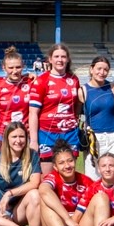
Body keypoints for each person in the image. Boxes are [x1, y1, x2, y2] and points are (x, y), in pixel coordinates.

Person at [0, 121, 43, 226]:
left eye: (21, 136)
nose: (18, 140)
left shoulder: (32, 156)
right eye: (14, 137)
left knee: (34, 194)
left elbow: (35, 183)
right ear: (7, 139)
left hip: (16, 210)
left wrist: (9, 193)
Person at [29, 42, 82, 172]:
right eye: (56, 56)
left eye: (63, 56)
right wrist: (34, 141)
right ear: (50, 59)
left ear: (68, 59)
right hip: (47, 133)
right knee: (47, 177)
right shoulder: (41, 81)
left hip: (70, 133)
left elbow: (77, 106)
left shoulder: (74, 80)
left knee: (68, 174)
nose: (60, 60)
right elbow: (33, 113)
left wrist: (74, 121)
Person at [38, 143, 94, 226]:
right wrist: (67, 219)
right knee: (43, 197)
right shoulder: (53, 177)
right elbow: (44, 189)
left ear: (75, 161)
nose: (67, 166)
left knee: (98, 196)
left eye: (70, 161)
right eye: (61, 163)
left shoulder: (86, 181)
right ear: (55, 167)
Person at [82, 55, 114, 182]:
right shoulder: (83, 90)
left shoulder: (113, 87)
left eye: (105, 70)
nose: (102, 72)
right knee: (92, 177)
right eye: (99, 69)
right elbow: (78, 114)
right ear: (91, 69)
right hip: (94, 138)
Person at [0, 45, 36, 129]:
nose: (15, 71)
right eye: (11, 68)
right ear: (4, 68)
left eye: (18, 67)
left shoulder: (31, 82)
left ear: (23, 66)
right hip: (3, 134)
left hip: (25, 134)